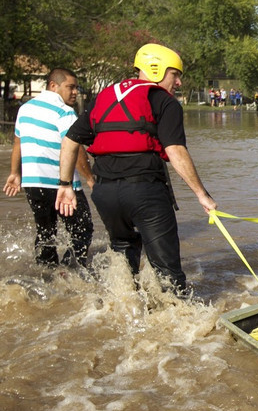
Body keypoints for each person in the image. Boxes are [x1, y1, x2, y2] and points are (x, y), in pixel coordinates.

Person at [56, 43, 217, 295]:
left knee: (123, 256)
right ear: (157, 70)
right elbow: (175, 151)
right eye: (175, 75)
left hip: (104, 193)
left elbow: (70, 140)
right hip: (145, 192)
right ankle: (177, 324)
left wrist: (65, 185)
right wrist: (202, 194)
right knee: (168, 272)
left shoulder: (104, 97)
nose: (178, 83)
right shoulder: (165, 102)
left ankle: (123, 311)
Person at [4, 68, 94, 267]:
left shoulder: (25, 109)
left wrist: (15, 173)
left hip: (33, 183)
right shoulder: (64, 111)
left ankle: (46, 273)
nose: (75, 92)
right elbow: (76, 148)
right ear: (53, 85)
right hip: (62, 184)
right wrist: (90, 179)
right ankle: (72, 273)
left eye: (76, 88)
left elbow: (18, 143)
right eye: (70, 87)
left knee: (45, 232)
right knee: (82, 229)